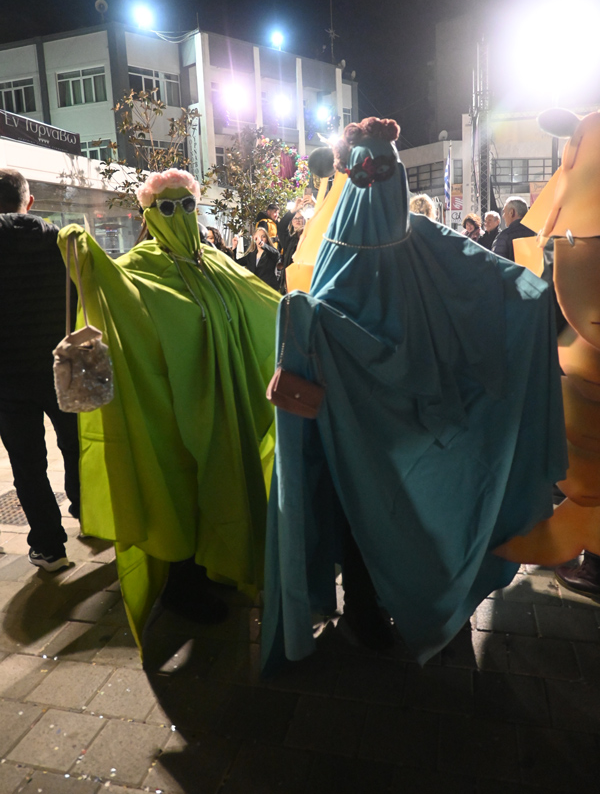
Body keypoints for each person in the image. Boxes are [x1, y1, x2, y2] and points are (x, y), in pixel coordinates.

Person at [261, 117, 566, 674]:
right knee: (389, 513)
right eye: (369, 172)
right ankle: (378, 608)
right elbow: (491, 283)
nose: (377, 183)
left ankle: (379, 609)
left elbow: (493, 282)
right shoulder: (393, 240)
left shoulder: (367, 242)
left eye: (385, 171)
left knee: (378, 512)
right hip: (396, 427)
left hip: (385, 431)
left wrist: (539, 289)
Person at [57, 168, 280, 650]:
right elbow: (120, 297)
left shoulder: (213, 261)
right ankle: (182, 585)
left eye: (187, 205)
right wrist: (87, 257)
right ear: (149, 214)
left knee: (222, 479)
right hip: (173, 404)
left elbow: (260, 301)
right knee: (180, 490)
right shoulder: (141, 264)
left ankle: (219, 563)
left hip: (224, 399)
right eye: (166, 207)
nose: (178, 215)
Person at [0, 169, 80, 571]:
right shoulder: (61, 240)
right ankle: (89, 513)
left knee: (27, 463)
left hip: (8, 377)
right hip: (61, 366)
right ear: (28, 201)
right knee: (76, 446)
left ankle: (49, 547)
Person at [279, 212, 306, 293]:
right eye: (295, 218)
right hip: (291, 281)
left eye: (300, 218)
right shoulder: (289, 241)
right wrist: (293, 211)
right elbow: (281, 228)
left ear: (304, 220)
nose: (297, 220)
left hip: (305, 278)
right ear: (292, 221)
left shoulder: (310, 238)